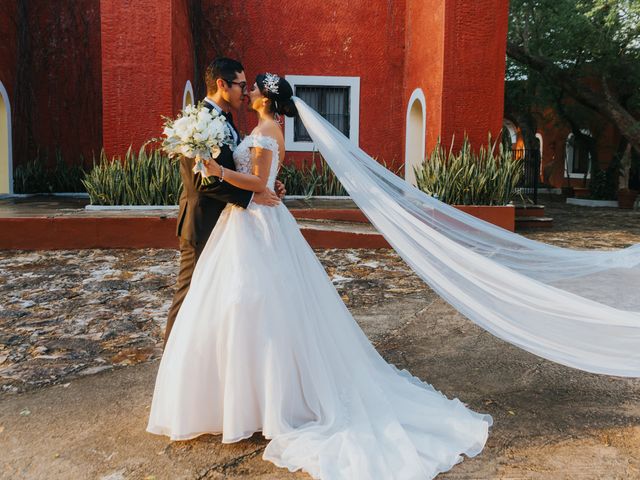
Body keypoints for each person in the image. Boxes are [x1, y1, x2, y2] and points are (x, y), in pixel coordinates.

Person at [147, 72, 492, 480]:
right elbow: (262, 178)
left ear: (266, 98)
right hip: (246, 222)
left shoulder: (267, 127)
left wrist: (219, 172)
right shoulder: (260, 127)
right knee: (248, 305)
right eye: (248, 84)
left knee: (257, 305)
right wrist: (262, 180)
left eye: (256, 87)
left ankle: (267, 401)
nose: (250, 90)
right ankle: (246, 398)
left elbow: (256, 181)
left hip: (256, 224)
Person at [164, 58, 284, 347]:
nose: (245, 92)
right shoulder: (196, 122)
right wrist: (253, 193)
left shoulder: (227, 120)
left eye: (248, 87)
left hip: (229, 225)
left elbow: (239, 167)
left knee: (219, 299)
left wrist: (268, 182)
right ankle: (172, 367)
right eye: (241, 85)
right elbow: (201, 183)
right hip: (202, 222)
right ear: (221, 84)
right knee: (188, 295)